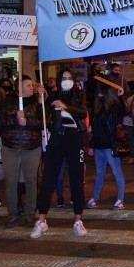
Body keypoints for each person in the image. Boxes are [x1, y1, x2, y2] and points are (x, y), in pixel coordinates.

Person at [32, 68, 88, 239]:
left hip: (74, 139)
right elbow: (40, 116)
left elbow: (83, 112)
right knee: (48, 179)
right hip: (57, 138)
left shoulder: (79, 94)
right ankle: (41, 221)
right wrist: (40, 99)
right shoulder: (53, 96)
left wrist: (66, 107)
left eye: (70, 78)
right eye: (63, 78)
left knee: (76, 181)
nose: (67, 80)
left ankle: (78, 220)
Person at [0, 76, 44, 227]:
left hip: (32, 147)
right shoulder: (8, 102)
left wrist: (27, 122)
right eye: (28, 85)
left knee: (31, 181)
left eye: (32, 85)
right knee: (11, 182)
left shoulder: (37, 102)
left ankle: (30, 213)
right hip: (11, 147)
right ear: (18, 87)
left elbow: (44, 122)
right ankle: (13, 214)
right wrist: (14, 118)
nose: (31, 87)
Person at [85, 84, 127, 210]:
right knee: (99, 173)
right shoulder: (97, 110)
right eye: (98, 92)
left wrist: (120, 97)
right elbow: (95, 130)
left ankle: (120, 200)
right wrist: (92, 145)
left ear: (106, 93)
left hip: (110, 145)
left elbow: (123, 112)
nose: (98, 94)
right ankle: (95, 198)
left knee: (117, 172)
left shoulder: (112, 108)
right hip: (99, 146)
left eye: (101, 92)